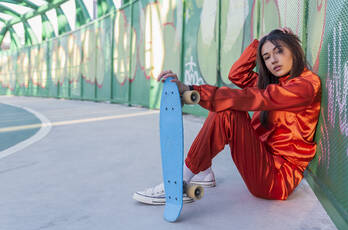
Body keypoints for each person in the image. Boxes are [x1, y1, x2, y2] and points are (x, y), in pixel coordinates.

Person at [133, 28, 321, 204]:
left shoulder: (305, 86)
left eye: (279, 51)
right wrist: (261, 43)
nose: (272, 60)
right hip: (262, 158)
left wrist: (193, 90)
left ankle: (176, 183)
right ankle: (204, 170)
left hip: (276, 179)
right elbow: (237, 75)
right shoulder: (275, 84)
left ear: (294, 50)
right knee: (226, 107)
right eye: (266, 57)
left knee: (229, 110)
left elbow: (259, 98)